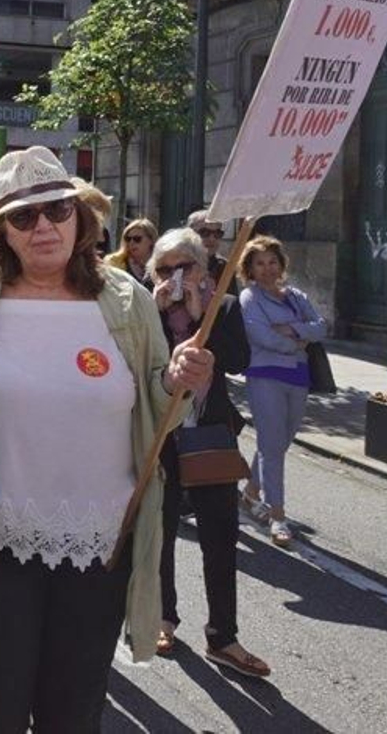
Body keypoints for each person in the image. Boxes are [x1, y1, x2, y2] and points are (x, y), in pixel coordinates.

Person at [0, 146, 213, 733]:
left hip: (101, 538)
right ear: (3, 231)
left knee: (74, 709)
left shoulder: (126, 299)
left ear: (81, 217)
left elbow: (156, 401)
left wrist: (178, 380)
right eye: (24, 216)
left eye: (58, 210)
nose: (44, 227)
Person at [146, 229, 269, 679]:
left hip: (209, 437)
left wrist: (202, 318)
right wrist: (158, 312)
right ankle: (163, 618)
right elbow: (136, 367)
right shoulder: (142, 307)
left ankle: (223, 635)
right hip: (160, 440)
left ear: (203, 268)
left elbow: (238, 362)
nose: (175, 277)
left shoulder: (226, 306)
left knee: (221, 536)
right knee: (159, 533)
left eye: (185, 267)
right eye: (165, 268)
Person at [237, 236, 327, 547]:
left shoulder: (296, 296)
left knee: (279, 443)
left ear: (281, 264)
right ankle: (277, 516)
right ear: (249, 268)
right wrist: (298, 340)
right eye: (259, 263)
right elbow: (261, 336)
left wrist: (294, 331)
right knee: (272, 446)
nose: (267, 269)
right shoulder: (250, 298)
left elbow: (320, 327)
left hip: (298, 375)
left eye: (272, 262)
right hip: (265, 375)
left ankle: (249, 494)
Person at [187, 210, 236, 293]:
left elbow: (229, 303)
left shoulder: (224, 267)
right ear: (188, 234)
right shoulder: (175, 262)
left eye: (217, 234)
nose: (212, 239)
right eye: (204, 232)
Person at [106, 217, 157, 284]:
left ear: (151, 240)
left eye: (137, 239)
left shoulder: (161, 263)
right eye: (128, 239)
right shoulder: (115, 263)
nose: (131, 243)